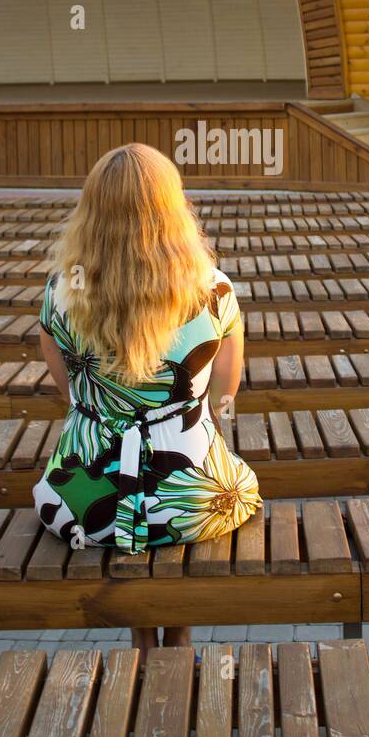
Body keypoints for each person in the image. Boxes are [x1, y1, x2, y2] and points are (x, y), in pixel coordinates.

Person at [34, 142, 262, 662]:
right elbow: (226, 394)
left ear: (90, 209)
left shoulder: (58, 293)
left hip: (86, 505)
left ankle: (140, 638)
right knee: (202, 485)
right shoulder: (217, 292)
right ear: (173, 208)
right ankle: (178, 635)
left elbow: (69, 394)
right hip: (195, 499)